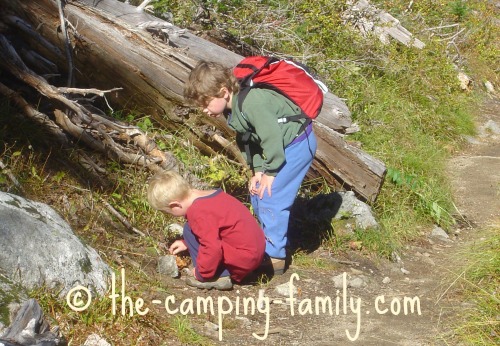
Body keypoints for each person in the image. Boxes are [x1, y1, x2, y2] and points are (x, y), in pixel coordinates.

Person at [184, 60, 317, 275]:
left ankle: (275, 258)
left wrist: (271, 173)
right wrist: (257, 172)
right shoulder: (232, 110)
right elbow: (249, 142)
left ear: (223, 91)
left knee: (270, 196)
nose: (204, 110)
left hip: (298, 142)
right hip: (281, 147)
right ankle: (265, 242)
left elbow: (271, 138)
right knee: (257, 193)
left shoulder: (252, 102)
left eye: (206, 103)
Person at [147, 170, 266, 290]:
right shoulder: (210, 194)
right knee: (189, 229)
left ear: (175, 205)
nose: (171, 215)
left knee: (190, 230)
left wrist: (202, 273)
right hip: (255, 252)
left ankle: (218, 275)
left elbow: (212, 247)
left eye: (168, 212)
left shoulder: (198, 212)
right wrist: (186, 243)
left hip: (245, 259)